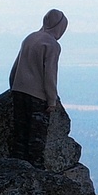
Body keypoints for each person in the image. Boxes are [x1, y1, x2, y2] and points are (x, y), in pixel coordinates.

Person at [10, 9, 67, 165]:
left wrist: (13, 87)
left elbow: (16, 67)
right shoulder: (52, 45)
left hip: (18, 91)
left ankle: (16, 169)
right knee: (36, 139)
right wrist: (52, 100)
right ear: (60, 26)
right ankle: (35, 176)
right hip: (37, 97)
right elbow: (50, 74)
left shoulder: (30, 38)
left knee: (19, 136)